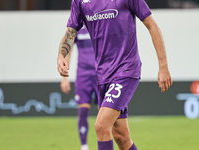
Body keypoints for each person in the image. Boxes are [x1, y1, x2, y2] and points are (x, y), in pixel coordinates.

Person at [57, 0, 173, 150]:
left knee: (101, 126)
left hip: (126, 70)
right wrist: (61, 55)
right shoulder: (80, 2)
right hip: (102, 75)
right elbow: (70, 33)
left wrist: (163, 66)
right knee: (121, 137)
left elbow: (152, 25)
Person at [60, 25, 98, 150]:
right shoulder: (77, 29)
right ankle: (84, 146)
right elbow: (67, 48)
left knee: (104, 111)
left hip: (101, 74)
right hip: (83, 75)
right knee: (83, 110)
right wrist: (64, 77)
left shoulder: (99, 24)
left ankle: (104, 143)